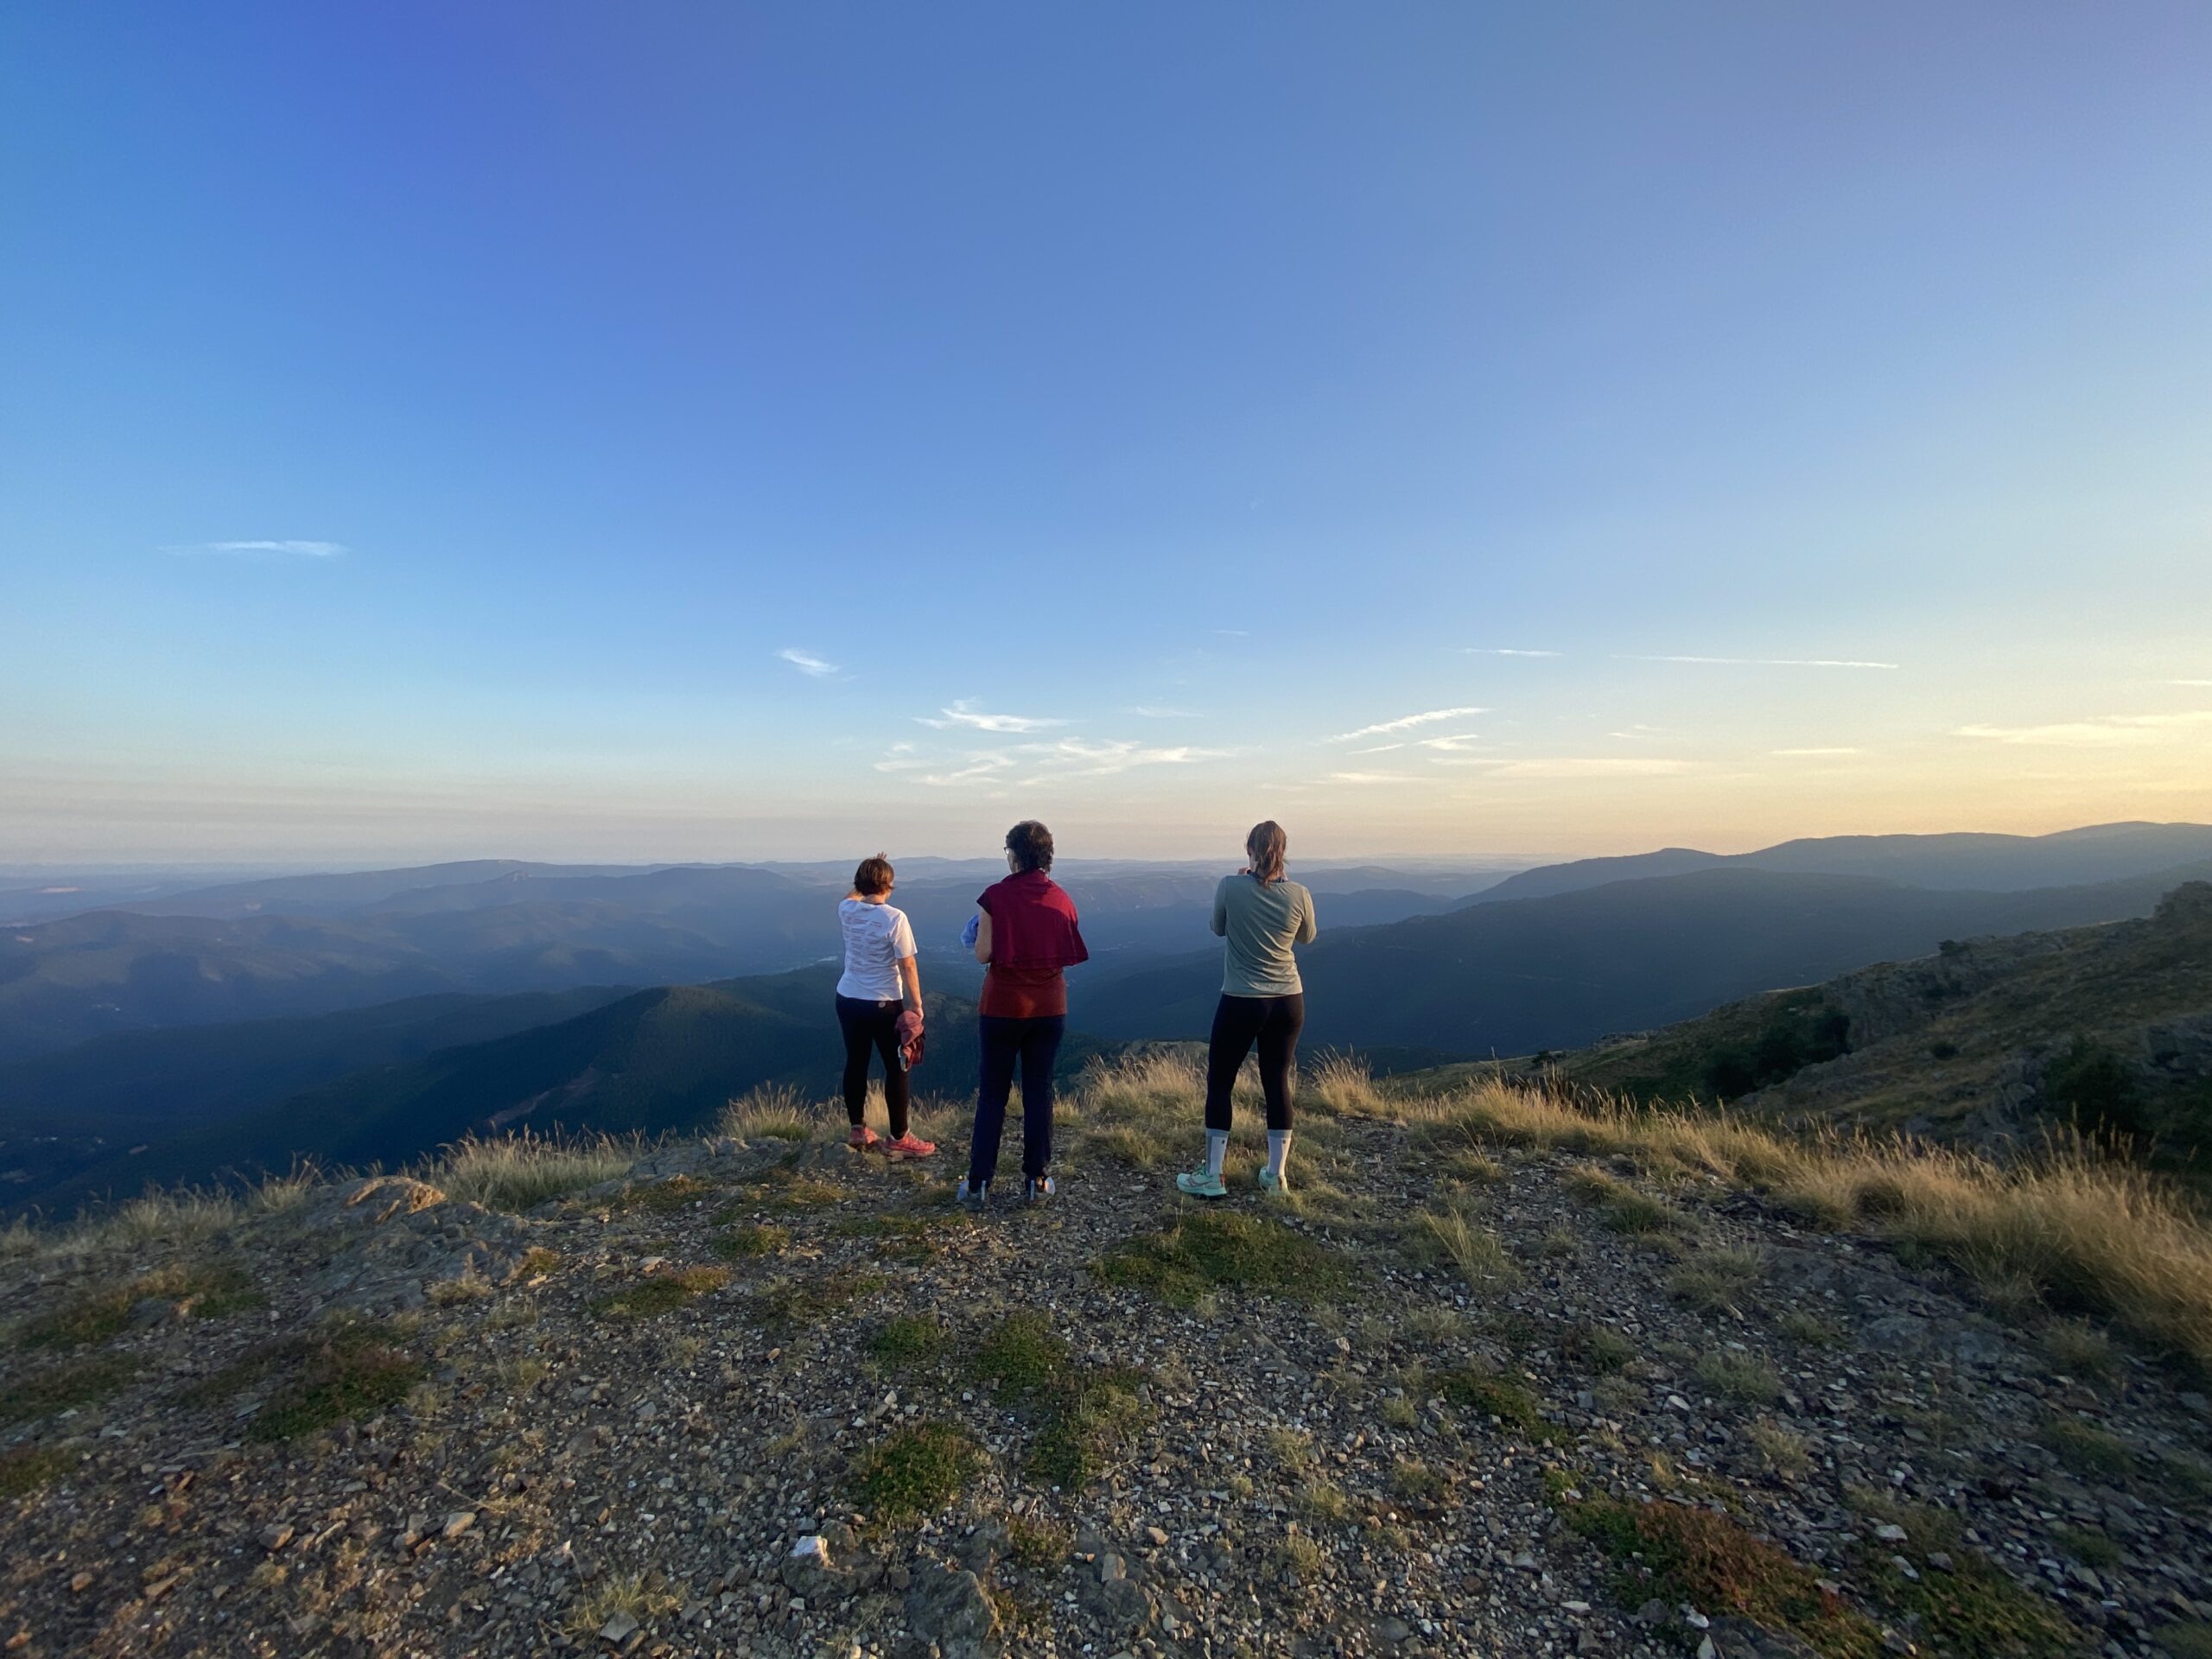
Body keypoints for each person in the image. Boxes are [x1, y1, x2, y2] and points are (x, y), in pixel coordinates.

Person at [1178, 821, 1318, 1199]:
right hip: (1289, 1000)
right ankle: (1276, 1176)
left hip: (1241, 999)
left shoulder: (1230, 886)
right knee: (1277, 1082)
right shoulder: (1300, 893)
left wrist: (1244, 886)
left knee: (1221, 1082)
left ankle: (1212, 1175)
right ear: (1283, 852)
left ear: (1249, 851)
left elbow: (1217, 928)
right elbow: (1308, 936)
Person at [959, 820, 1088, 1205]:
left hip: (1002, 1006)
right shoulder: (1061, 898)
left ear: (1014, 855)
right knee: (1039, 1090)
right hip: (1049, 1007)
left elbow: (982, 953)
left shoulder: (995, 897)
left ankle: (980, 1183)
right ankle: (1037, 1180)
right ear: (1047, 856)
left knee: (993, 1094)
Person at [834, 855, 936, 1159]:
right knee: (896, 1067)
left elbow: (853, 895)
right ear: (889, 885)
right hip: (883, 1003)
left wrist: (867, 873)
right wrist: (917, 1006)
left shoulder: (846, 909)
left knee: (856, 1061)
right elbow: (908, 965)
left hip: (847, 998)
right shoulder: (895, 918)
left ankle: (857, 1128)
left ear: (860, 884)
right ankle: (899, 1137)